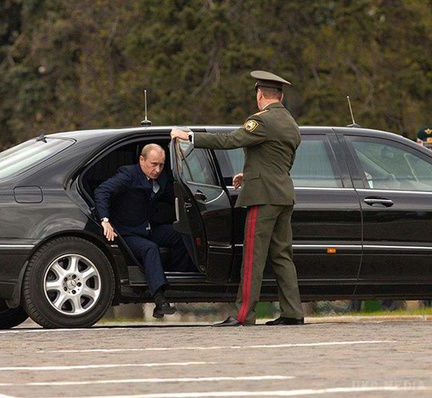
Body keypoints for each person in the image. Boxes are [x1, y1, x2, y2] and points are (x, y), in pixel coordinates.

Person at [170, 70, 304, 326]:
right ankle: (293, 312)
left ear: (260, 94)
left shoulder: (261, 121)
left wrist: (190, 136)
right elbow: (281, 161)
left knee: (253, 257)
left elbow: (230, 140)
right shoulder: (290, 124)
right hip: (283, 195)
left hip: (262, 197)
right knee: (282, 256)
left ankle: (243, 314)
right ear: (282, 96)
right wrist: (250, 172)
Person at [94, 144, 195, 318]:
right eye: (153, 164)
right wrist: (105, 220)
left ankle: (174, 279)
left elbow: (175, 196)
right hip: (128, 233)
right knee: (150, 249)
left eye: (161, 165)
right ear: (142, 160)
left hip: (149, 228)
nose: (157, 170)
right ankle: (160, 299)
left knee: (182, 233)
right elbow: (102, 191)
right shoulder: (128, 175)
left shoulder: (162, 178)